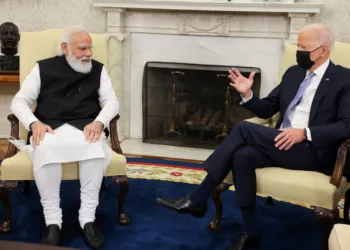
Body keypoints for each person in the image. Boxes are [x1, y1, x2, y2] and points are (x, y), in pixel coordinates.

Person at [157, 23, 350, 250]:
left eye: (304, 47)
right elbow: (268, 108)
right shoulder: (293, 73)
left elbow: (347, 125)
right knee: (242, 156)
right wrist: (248, 95)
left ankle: (199, 197)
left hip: (313, 150)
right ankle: (251, 232)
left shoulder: (344, 79)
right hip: (279, 143)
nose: (299, 51)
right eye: (297, 45)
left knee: (243, 128)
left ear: (324, 49)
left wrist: (304, 133)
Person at [10, 26, 119, 249]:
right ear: (65, 48)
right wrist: (34, 123)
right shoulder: (43, 68)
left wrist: (99, 122)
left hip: (86, 126)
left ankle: (87, 218)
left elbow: (112, 102)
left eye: (90, 48)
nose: (89, 53)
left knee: (94, 147)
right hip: (50, 127)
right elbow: (19, 101)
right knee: (45, 147)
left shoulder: (98, 69)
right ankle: (53, 221)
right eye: (82, 48)